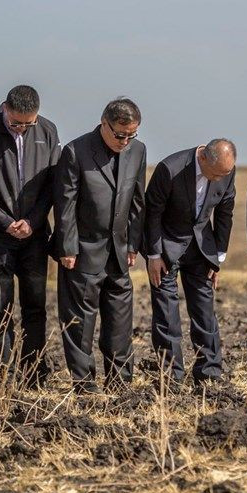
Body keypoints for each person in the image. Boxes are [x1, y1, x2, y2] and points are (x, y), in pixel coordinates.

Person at [54, 97, 147, 393]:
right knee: (80, 323)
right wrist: (67, 247)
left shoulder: (138, 150)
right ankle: (85, 386)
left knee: (120, 322)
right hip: (82, 252)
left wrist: (133, 243)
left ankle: (120, 382)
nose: (125, 141)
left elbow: (137, 200)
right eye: (120, 135)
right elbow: (65, 204)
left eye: (131, 135)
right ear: (104, 123)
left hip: (119, 253)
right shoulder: (76, 151)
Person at [0, 85, 60, 387]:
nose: (22, 129)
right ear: (4, 109)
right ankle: (2, 376)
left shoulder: (48, 131)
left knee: (35, 305)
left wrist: (33, 221)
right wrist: (4, 221)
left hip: (35, 235)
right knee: (1, 306)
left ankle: (33, 375)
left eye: (29, 124)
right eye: (16, 123)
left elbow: (53, 183)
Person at [144, 139, 237, 384]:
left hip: (202, 249)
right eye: (216, 174)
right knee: (167, 314)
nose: (219, 179)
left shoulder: (226, 170)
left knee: (205, 312)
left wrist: (218, 257)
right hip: (166, 247)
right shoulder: (170, 169)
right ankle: (171, 378)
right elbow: (152, 212)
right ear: (203, 159)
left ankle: (209, 373)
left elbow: (226, 211)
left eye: (224, 174)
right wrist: (153, 255)